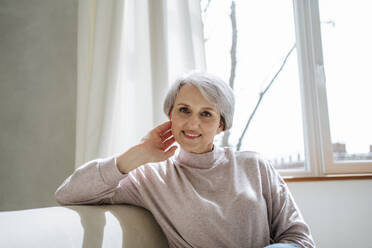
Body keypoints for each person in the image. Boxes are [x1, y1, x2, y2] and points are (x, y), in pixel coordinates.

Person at [55, 71, 315, 248]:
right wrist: (140, 153)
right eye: (184, 110)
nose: (192, 123)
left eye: (206, 114)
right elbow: (67, 193)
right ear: (170, 115)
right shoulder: (151, 177)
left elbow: (299, 238)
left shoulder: (255, 166)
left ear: (221, 124)